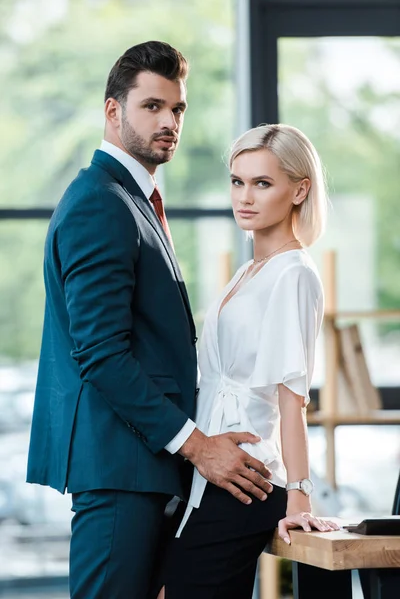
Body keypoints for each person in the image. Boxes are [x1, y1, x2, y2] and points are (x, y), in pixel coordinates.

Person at [26, 41, 274, 599]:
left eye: (178, 109)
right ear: (113, 111)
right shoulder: (100, 202)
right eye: (152, 107)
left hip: (147, 468)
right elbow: (103, 354)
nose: (169, 122)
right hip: (121, 472)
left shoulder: (133, 199)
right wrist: (198, 446)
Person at [158, 124, 340, 599]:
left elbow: (292, 395)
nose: (245, 196)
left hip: (248, 479)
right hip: (208, 470)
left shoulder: (294, 273)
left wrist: (299, 494)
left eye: (263, 183)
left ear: (299, 190)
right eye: (238, 181)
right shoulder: (247, 271)